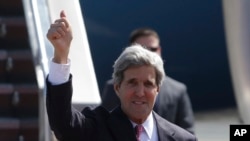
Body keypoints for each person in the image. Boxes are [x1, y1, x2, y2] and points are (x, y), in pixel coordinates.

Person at [46, 11, 197, 141]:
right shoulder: (97, 129)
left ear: (157, 89)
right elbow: (63, 124)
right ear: (117, 87)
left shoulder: (181, 138)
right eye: (132, 82)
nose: (140, 92)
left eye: (148, 84)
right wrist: (61, 55)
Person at [101, 28, 195, 134]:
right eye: (143, 49)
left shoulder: (178, 90)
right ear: (117, 88)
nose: (140, 93)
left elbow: (187, 131)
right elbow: (104, 124)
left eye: (152, 49)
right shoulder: (112, 87)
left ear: (159, 50)